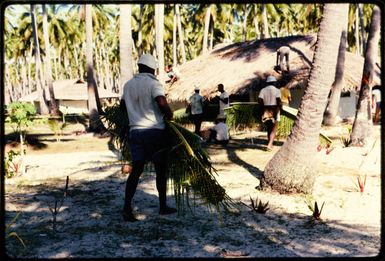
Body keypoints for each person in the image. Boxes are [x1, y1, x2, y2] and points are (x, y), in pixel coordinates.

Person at [120, 54, 176, 222]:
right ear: (152, 68)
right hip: (155, 132)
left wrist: (133, 116)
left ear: (139, 67)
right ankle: (163, 206)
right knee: (160, 169)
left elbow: (123, 106)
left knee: (136, 170)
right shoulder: (154, 84)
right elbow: (161, 101)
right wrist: (169, 114)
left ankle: (126, 207)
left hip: (135, 132)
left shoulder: (128, 85)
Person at [258, 75, 282, 151]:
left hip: (266, 111)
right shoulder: (277, 90)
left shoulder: (263, 90)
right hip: (275, 110)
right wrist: (280, 108)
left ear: (268, 83)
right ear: (274, 82)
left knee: (269, 128)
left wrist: (264, 108)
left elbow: (259, 100)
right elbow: (278, 101)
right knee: (274, 129)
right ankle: (270, 144)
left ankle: (270, 143)